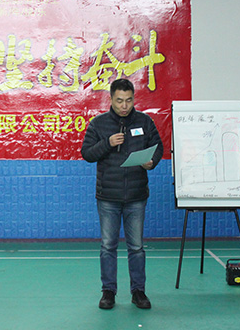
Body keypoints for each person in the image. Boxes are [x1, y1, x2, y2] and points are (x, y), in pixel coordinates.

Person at [80, 78, 163, 310]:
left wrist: (152, 162)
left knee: (136, 247)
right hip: (108, 197)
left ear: (134, 98)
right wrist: (107, 143)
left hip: (137, 195)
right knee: (108, 246)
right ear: (111, 99)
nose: (124, 105)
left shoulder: (145, 122)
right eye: (119, 101)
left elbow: (158, 147)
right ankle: (108, 292)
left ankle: (138, 292)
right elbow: (87, 154)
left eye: (128, 100)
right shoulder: (99, 124)